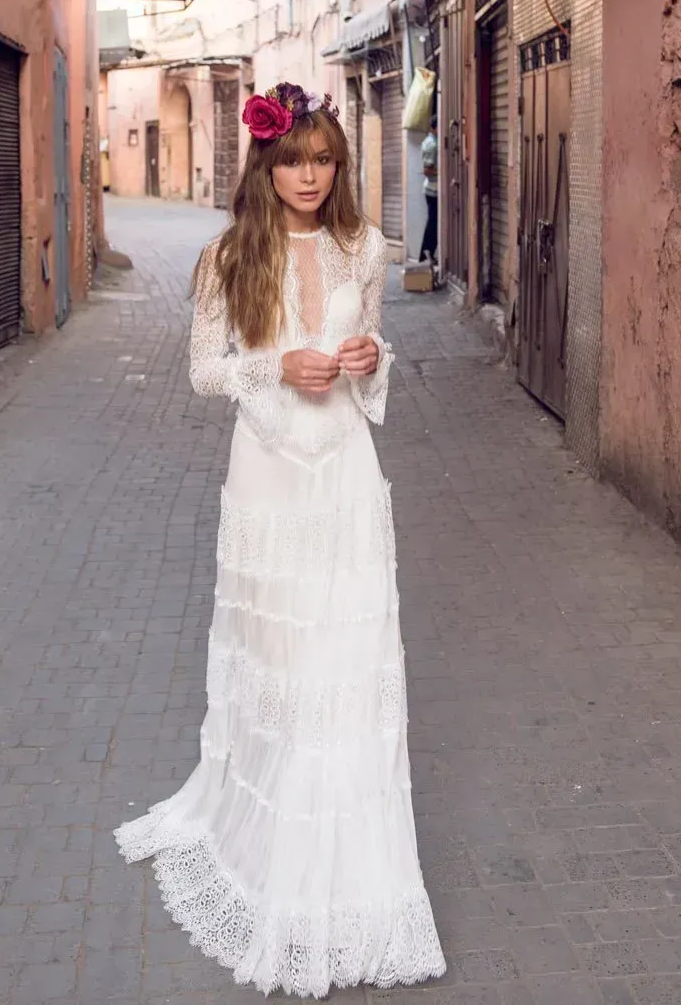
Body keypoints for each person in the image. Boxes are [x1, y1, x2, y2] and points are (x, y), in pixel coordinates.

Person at [115, 83, 446, 998]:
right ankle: (273, 851)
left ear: (339, 167)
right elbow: (203, 372)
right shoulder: (230, 255)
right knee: (283, 663)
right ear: (267, 163)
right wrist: (276, 364)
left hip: (344, 475)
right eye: (294, 158)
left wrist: (373, 358)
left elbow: (370, 344)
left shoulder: (364, 250)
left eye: (324, 159)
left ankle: (353, 883)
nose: (310, 174)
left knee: (346, 662)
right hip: (266, 482)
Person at [419, 112, 438, 265]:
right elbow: (428, 170)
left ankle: (427, 255)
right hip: (434, 189)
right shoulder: (432, 144)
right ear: (434, 128)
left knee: (433, 223)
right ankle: (426, 255)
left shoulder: (428, 141)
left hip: (430, 189)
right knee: (433, 224)